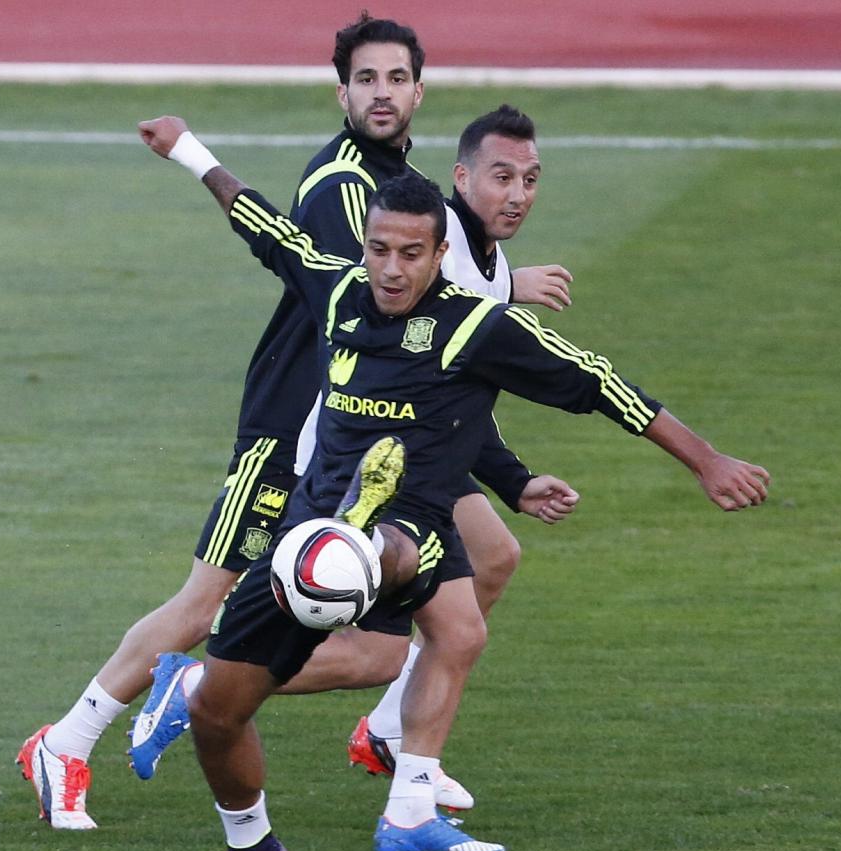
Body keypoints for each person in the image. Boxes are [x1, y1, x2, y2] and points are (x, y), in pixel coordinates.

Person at [138, 115, 768, 851]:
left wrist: (707, 460)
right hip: (309, 532)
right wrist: (190, 153)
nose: (392, 270)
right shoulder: (336, 291)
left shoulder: (478, 325)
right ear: (364, 245)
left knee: (427, 588)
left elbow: (599, 382)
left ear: (442, 255)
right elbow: (260, 221)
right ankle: (252, 849)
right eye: (379, 251)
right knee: (220, 716)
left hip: (416, 532)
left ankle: (401, 761)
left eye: (411, 254)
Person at [137, 105, 582, 798]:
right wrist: (192, 152)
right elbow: (280, 240)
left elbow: (459, 405)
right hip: (362, 467)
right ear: (460, 179)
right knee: (374, 645)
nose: (518, 193)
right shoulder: (437, 254)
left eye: (530, 179)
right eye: (502, 177)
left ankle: (398, 759)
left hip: (412, 455)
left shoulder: (484, 265)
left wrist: (514, 481)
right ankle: (202, 689)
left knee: (481, 582)